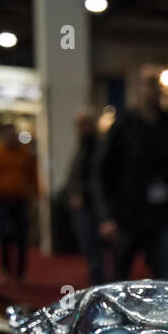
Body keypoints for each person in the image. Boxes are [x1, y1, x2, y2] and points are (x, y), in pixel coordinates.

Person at [94, 73, 168, 280]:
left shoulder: (167, 124)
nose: (153, 93)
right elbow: (101, 171)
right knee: (120, 278)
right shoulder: (124, 125)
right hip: (127, 215)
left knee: (167, 277)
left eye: (156, 87)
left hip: (161, 215)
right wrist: (106, 216)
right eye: (148, 87)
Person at [0, 123, 39, 282]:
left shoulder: (25, 155)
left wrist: (35, 196)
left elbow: (33, 176)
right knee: (4, 236)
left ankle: (21, 273)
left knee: (22, 236)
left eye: (13, 135)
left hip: (21, 200)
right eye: (8, 135)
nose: (11, 138)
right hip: (3, 200)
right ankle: (5, 270)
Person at [65, 110, 106, 285]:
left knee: (94, 247)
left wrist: (83, 194)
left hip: (92, 206)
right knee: (88, 246)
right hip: (82, 206)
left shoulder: (96, 147)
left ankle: (99, 282)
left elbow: (97, 178)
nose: (82, 129)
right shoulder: (82, 147)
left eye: (85, 124)